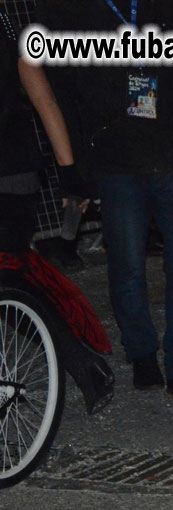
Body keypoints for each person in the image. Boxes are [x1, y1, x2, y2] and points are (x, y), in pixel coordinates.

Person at [37, 0, 173, 400]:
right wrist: (74, 173)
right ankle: (143, 355)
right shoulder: (70, 11)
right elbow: (64, 93)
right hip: (116, 162)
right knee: (126, 265)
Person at [1, 8, 113, 414]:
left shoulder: (9, 28)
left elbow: (43, 97)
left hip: (9, 175)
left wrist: (70, 174)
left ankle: (83, 365)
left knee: (8, 281)